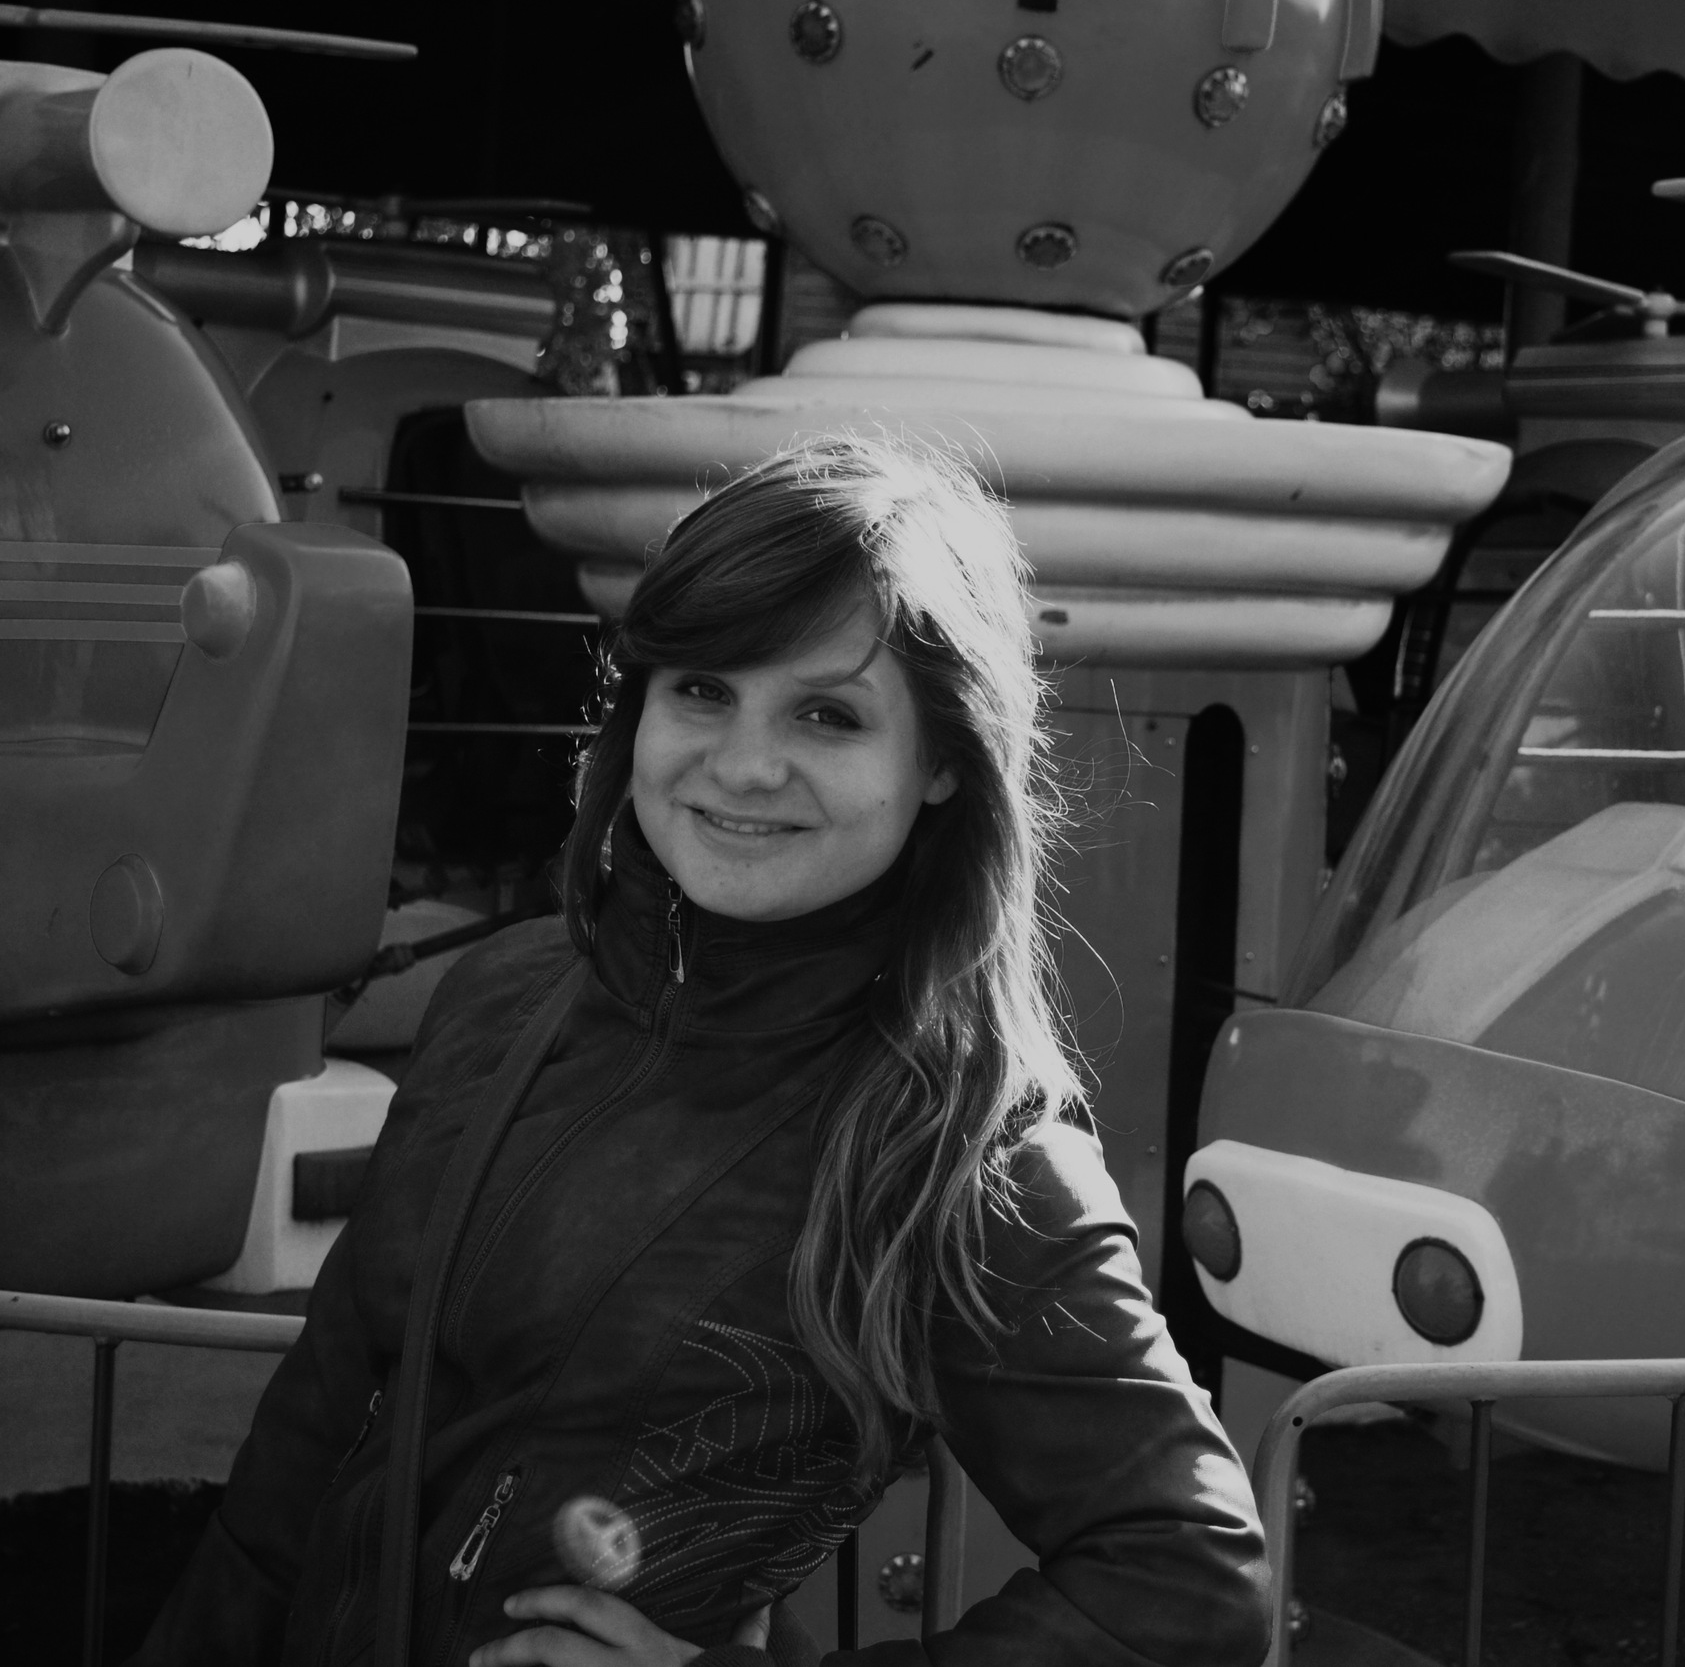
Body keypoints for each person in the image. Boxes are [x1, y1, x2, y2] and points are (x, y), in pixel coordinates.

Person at [132, 438, 1271, 1666]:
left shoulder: (963, 1147)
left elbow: (1186, 1577)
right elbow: (299, 1461)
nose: (743, 765)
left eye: (828, 714)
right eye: (703, 690)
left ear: (943, 762)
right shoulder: (502, 994)